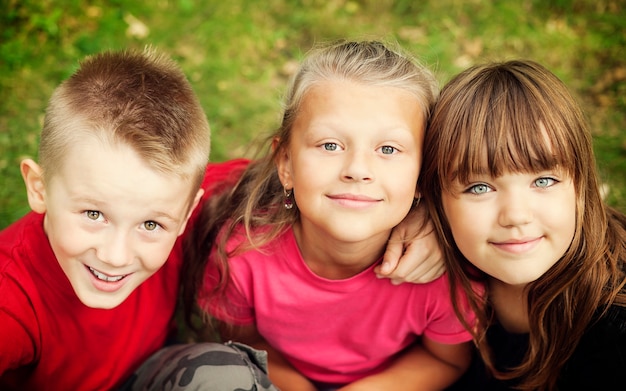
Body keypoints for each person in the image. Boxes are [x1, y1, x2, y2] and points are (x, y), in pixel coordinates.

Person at [183, 40, 477, 391]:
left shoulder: (439, 276)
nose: (357, 170)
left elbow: (445, 359)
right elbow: (248, 347)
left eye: (388, 149)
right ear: (286, 163)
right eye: (330, 145)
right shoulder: (241, 256)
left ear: (422, 173)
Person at [0, 48, 277, 390]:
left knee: (225, 378)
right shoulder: (10, 297)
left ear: (187, 211)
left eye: (150, 225)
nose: (115, 256)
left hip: (150, 373)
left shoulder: (167, 196)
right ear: (39, 189)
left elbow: (288, 183)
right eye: (94, 214)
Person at [412, 59, 626, 390]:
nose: (516, 216)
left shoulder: (614, 326)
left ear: (581, 186)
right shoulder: (420, 272)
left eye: (543, 181)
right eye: (479, 188)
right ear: (436, 201)